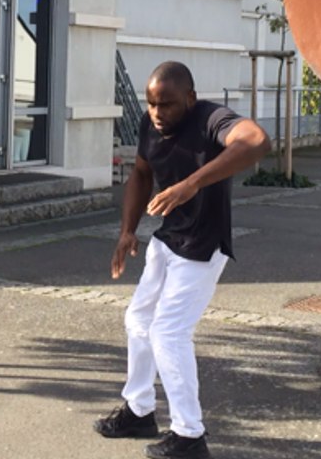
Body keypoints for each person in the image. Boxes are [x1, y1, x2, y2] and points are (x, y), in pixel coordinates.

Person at [94, 61, 269, 459]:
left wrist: (192, 183)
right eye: (151, 103)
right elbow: (140, 173)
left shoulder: (211, 119)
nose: (157, 113)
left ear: (189, 98)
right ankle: (139, 411)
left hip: (204, 246)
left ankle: (190, 435)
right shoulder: (149, 123)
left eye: (167, 104)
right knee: (138, 322)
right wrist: (127, 230)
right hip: (167, 239)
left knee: (168, 334)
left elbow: (257, 142)